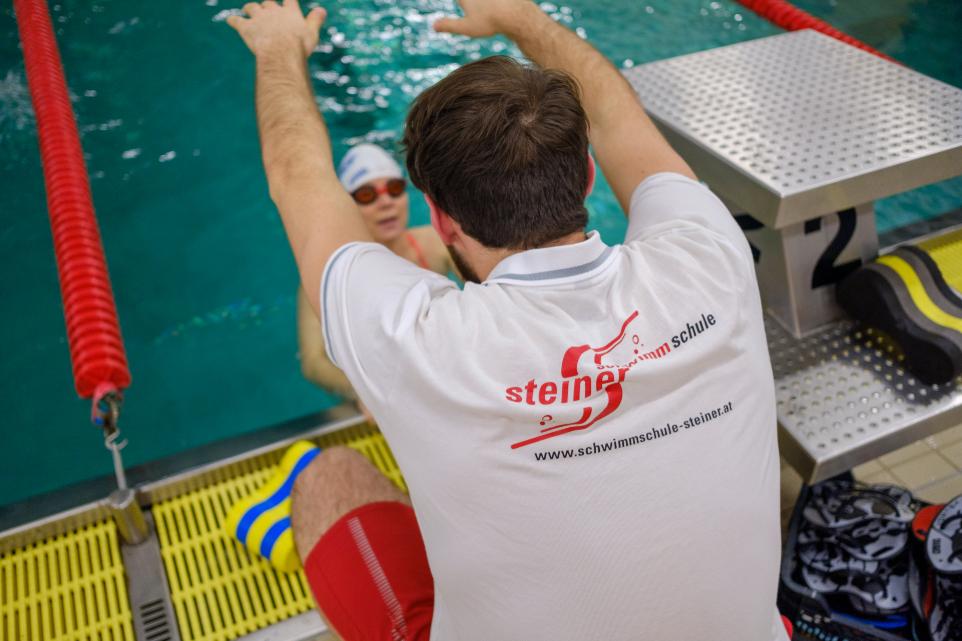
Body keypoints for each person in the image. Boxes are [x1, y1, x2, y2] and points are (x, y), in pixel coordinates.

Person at [227, 1, 787, 640]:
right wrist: (522, 16)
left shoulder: (418, 342)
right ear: (586, 176)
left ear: (442, 221)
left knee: (330, 477)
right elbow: (616, 116)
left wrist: (278, 47)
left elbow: (296, 175)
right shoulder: (708, 256)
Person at [296, 143, 454, 416]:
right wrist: (364, 389)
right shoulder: (327, 275)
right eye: (367, 195)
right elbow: (313, 362)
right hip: (377, 380)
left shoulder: (435, 244)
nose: (386, 202)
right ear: (347, 207)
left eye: (394, 189)